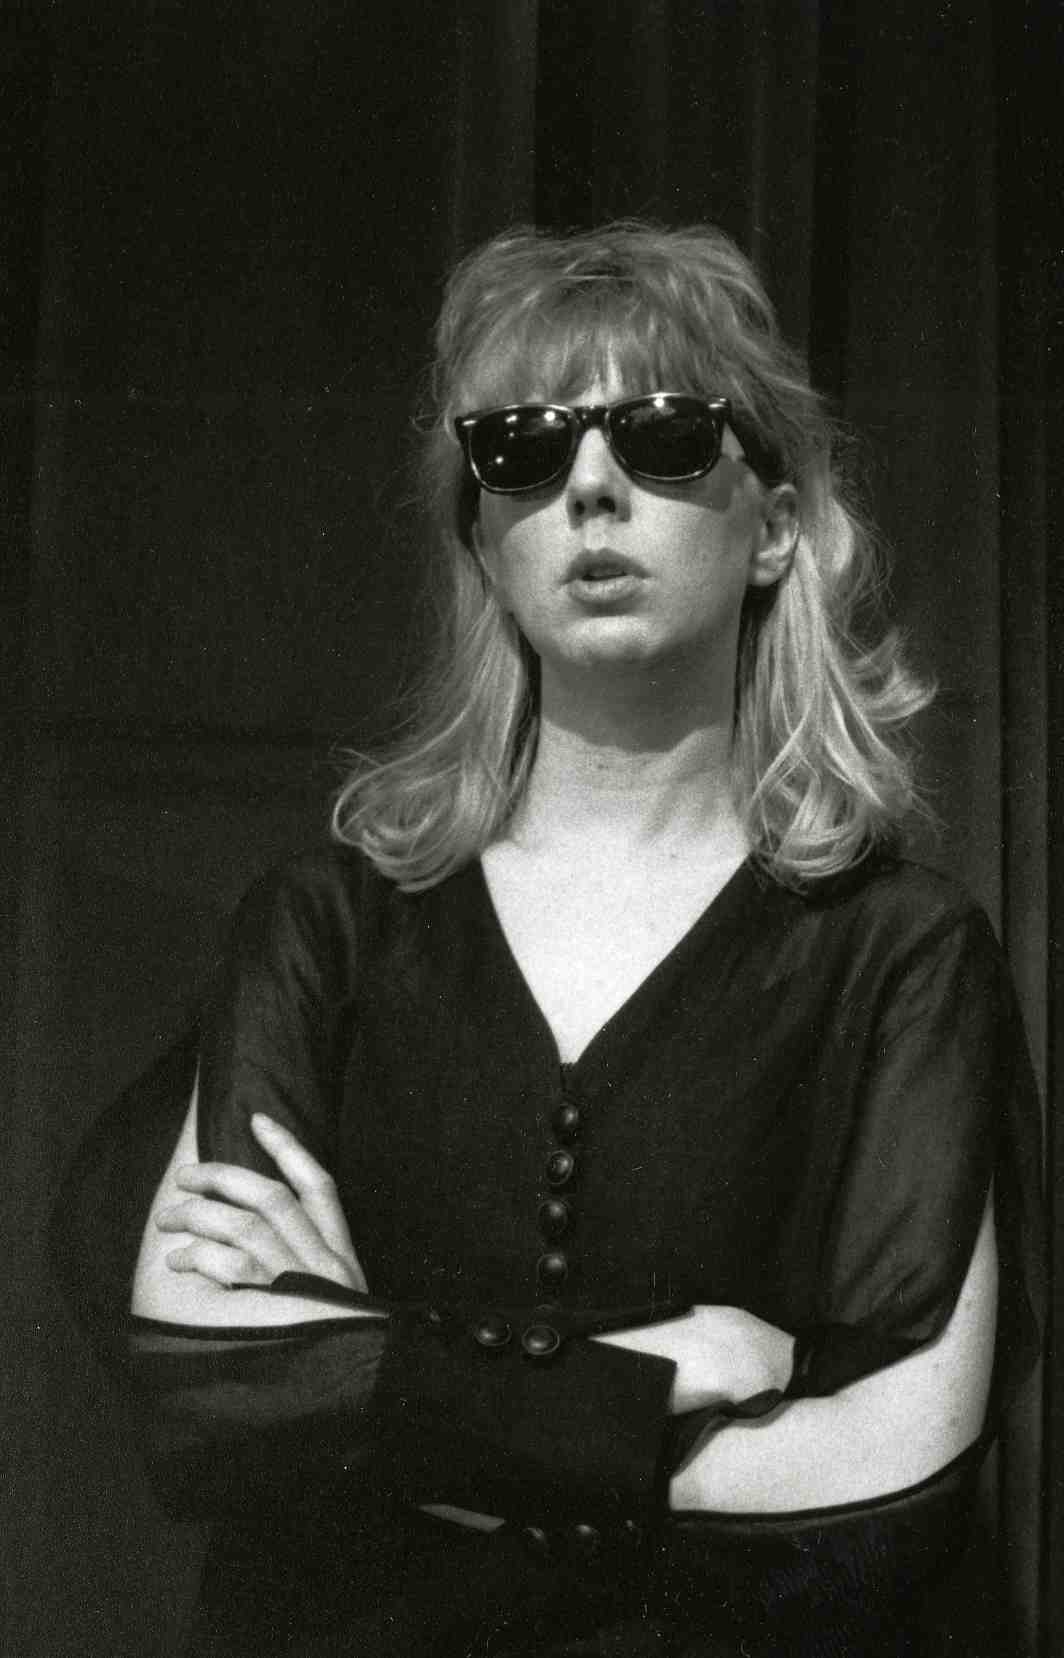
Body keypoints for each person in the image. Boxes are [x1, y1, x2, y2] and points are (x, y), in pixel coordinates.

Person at [54, 223, 1043, 1657]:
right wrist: (647, 1390)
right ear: (482, 538)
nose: (587, 484)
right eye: (520, 448)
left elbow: (884, 1494)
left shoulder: (903, 954)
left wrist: (375, 1373)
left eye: (663, 434)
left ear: (775, 528)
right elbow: (210, 1383)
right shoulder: (323, 925)